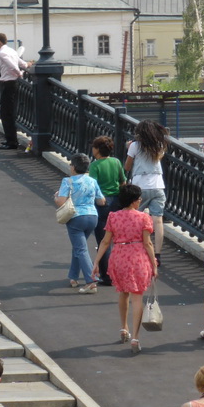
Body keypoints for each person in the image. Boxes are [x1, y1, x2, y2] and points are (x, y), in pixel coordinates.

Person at [92, 184, 158, 354]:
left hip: (119, 257)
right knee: (137, 298)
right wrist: (154, 263)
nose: (140, 201)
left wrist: (96, 262)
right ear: (135, 201)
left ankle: (123, 328)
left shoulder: (113, 217)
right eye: (139, 199)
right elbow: (148, 243)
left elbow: (105, 242)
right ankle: (135, 338)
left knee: (123, 293)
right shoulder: (144, 218)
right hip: (138, 258)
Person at [55, 153, 104, 293]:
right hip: (92, 216)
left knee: (81, 249)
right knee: (78, 246)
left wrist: (56, 197)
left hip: (75, 218)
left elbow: (61, 202)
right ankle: (73, 276)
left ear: (74, 167)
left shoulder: (68, 181)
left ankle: (91, 280)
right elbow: (101, 201)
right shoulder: (92, 181)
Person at [125, 119, 169, 264]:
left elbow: (127, 166)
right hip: (158, 186)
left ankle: (139, 250)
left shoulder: (135, 146)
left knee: (136, 219)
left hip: (140, 187)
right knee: (158, 220)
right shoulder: (160, 145)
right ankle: (158, 254)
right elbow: (158, 158)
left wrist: (129, 148)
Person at [89, 136, 126, 286]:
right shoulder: (116, 162)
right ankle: (119, 272)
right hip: (116, 201)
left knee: (103, 240)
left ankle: (107, 275)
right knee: (117, 239)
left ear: (97, 150)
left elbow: (93, 187)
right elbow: (123, 181)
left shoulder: (95, 165)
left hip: (102, 203)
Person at [0, 33, 30, 150]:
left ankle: (12, 142)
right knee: (9, 112)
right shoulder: (12, 51)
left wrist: (19, 73)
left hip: (8, 84)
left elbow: (12, 66)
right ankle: (10, 139)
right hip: (13, 84)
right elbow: (23, 63)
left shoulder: (3, 53)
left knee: (6, 113)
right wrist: (28, 65)